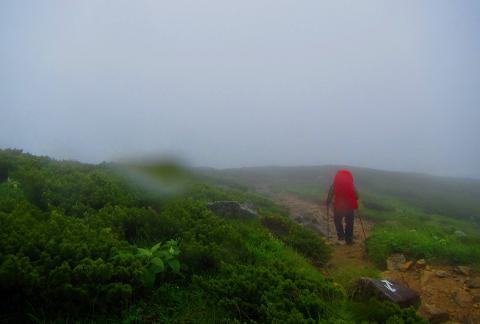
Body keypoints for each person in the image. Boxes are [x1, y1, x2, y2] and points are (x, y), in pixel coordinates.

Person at [326, 169, 359, 245]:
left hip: (338, 206)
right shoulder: (351, 185)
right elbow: (357, 196)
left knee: (337, 220)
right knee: (349, 223)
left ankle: (341, 235)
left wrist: (328, 202)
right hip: (349, 206)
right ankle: (349, 240)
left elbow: (330, 194)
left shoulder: (335, 184)